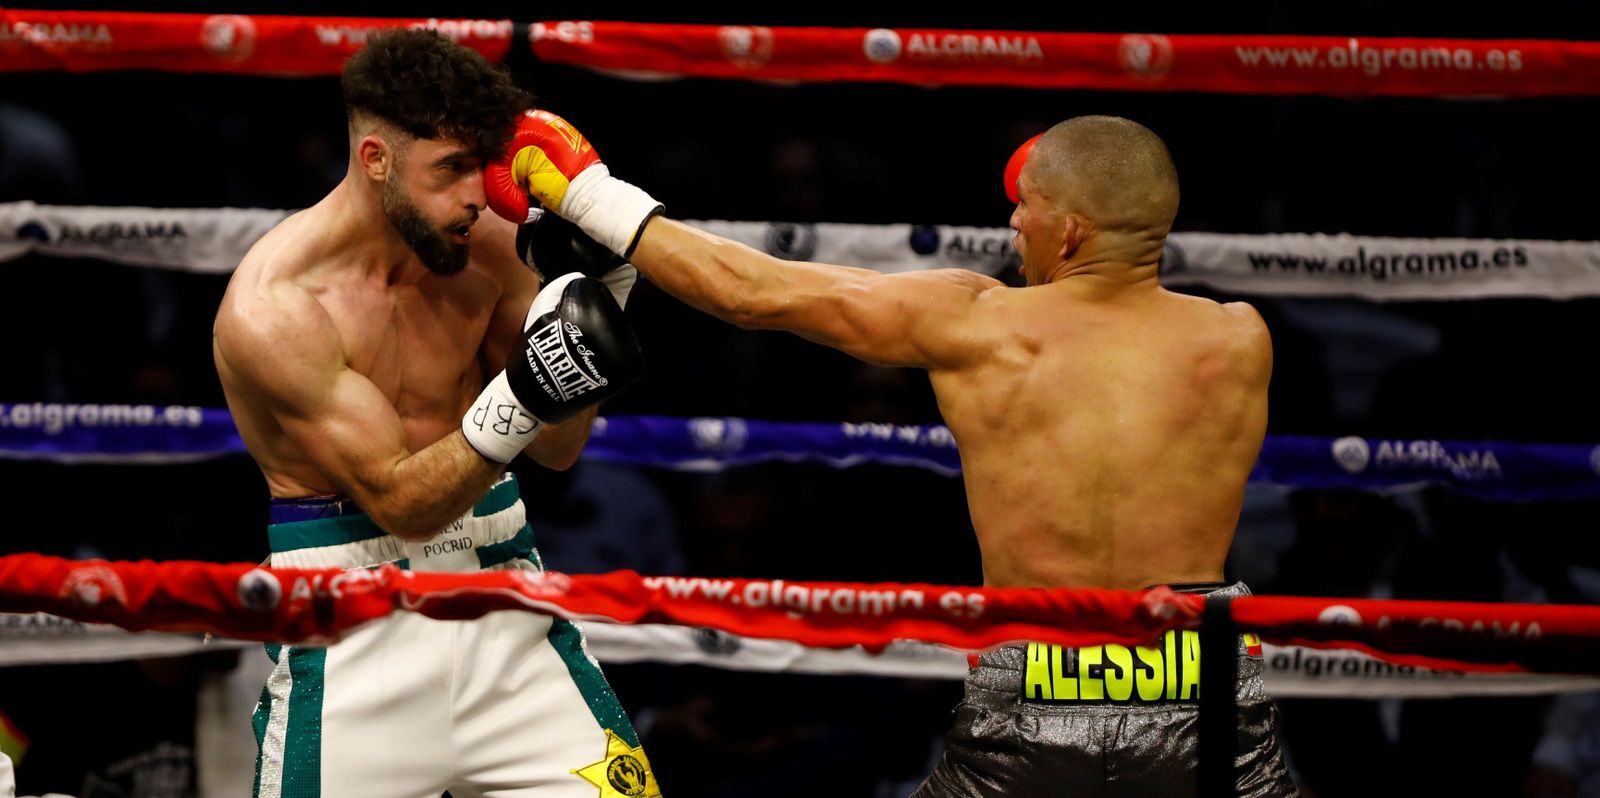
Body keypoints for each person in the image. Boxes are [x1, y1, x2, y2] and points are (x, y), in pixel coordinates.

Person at [486, 111, 1296, 796]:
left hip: (1040, 673)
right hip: (1203, 681)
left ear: (1072, 230)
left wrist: (586, 191)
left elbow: (753, 293)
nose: (1013, 222)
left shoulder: (981, 325)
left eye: (1029, 206)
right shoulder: (1240, 339)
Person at [212, 31, 659, 797]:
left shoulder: (484, 250)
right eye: (450, 169)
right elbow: (403, 504)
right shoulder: (276, 308)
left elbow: (555, 450)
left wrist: (599, 296)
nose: (476, 196)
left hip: (504, 598)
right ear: (376, 160)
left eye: (479, 165)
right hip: (351, 630)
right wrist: (525, 389)